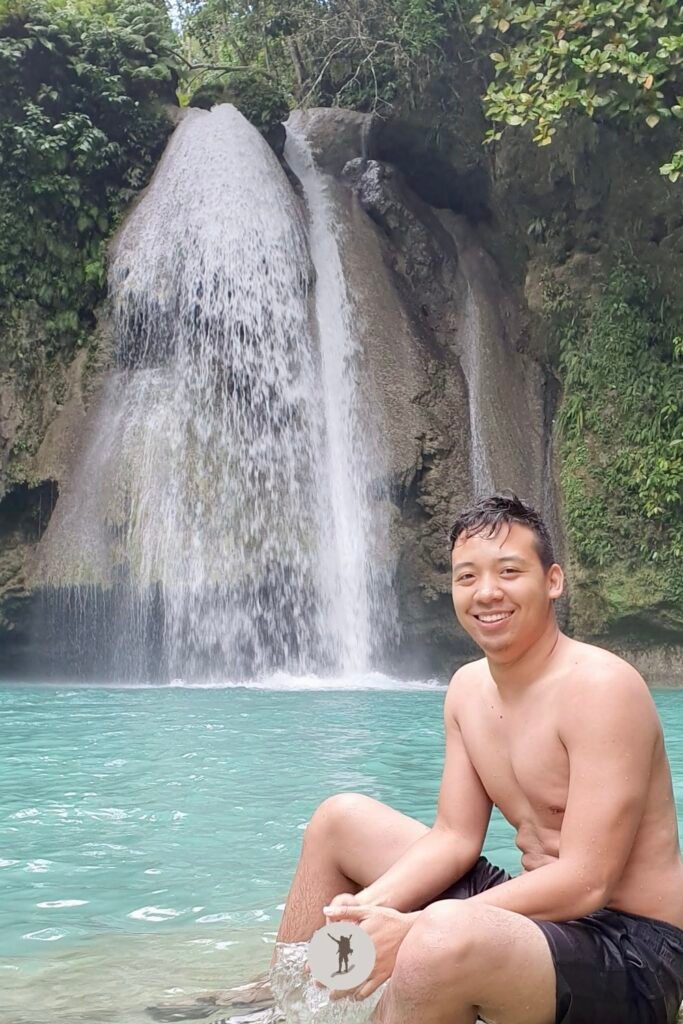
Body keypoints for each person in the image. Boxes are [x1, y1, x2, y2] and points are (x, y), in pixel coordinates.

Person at [270, 493, 683, 1024]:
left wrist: (413, 928)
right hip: (540, 915)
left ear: (552, 581)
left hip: (633, 949)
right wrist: (368, 909)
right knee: (339, 821)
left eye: (509, 571)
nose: (487, 593)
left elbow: (587, 880)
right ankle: (286, 1003)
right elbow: (454, 837)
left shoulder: (602, 688)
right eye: (467, 577)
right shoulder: (467, 688)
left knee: (437, 938)